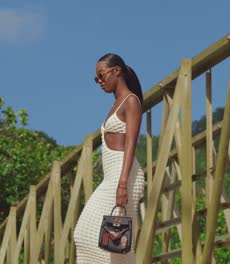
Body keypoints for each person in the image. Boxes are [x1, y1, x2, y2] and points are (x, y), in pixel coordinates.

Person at [73, 53, 145, 263]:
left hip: (125, 177)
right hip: (112, 177)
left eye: (102, 75)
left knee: (106, 240)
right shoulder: (115, 104)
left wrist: (122, 184)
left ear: (117, 71)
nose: (99, 81)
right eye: (96, 78)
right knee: (106, 240)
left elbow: (131, 143)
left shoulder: (131, 101)